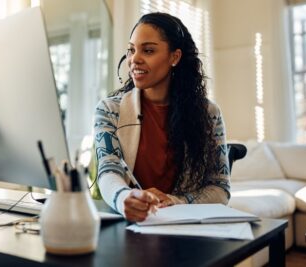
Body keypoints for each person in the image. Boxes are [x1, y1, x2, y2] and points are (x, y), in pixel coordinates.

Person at [94, 12, 230, 222]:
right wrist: (125, 198)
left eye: (148, 50)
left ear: (174, 57)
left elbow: (220, 188)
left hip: (185, 227)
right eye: (131, 50)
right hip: (131, 224)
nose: (134, 59)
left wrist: (174, 201)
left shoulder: (208, 114)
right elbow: (108, 170)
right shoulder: (110, 109)